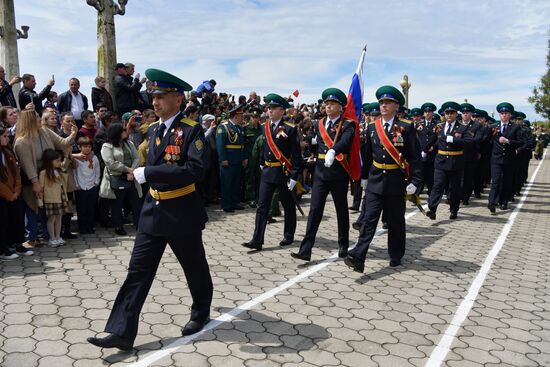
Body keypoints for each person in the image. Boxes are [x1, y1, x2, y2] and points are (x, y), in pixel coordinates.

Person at [88, 68, 213, 350]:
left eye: (161, 96)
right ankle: (121, 331)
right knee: (138, 272)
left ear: (178, 99)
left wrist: (150, 172)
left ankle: (201, 311)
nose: (154, 102)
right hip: (152, 211)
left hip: (182, 212)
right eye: (153, 96)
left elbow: (196, 170)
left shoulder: (192, 131)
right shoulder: (154, 130)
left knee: (194, 268)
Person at [344, 85, 422, 272]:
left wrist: (415, 182)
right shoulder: (372, 128)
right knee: (369, 219)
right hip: (375, 179)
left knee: (395, 221)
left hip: (396, 181)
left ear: (397, 105)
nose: (383, 105)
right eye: (381, 102)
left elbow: (415, 157)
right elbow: (368, 155)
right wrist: (363, 178)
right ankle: (358, 255)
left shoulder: (406, 127)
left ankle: (396, 254)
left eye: (388, 102)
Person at [291, 88, 355, 261]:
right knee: (315, 209)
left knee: (341, 209)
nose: (328, 106)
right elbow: (315, 141)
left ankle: (343, 243)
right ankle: (306, 249)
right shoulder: (319, 124)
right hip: (320, 171)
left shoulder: (348, 124)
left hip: (338, 171)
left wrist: (334, 150)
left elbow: (346, 140)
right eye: (326, 103)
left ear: (340, 107)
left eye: (332, 103)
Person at [242, 93, 302, 251]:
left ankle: (288, 235)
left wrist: (294, 176)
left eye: (273, 108)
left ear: (282, 110)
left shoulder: (290, 129)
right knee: (262, 206)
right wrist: (262, 163)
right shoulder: (264, 127)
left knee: (288, 206)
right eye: (269, 107)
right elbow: (264, 147)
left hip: (283, 173)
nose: (269, 110)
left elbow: (296, 156)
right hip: (268, 172)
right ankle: (257, 239)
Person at [14, 110, 77, 247]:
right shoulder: (21, 141)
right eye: (37, 117)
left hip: (49, 177)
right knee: (33, 207)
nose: (40, 119)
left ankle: (51, 236)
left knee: (47, 208)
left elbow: (62, 143)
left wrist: (73, 134)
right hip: (31, 179)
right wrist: (35, 182)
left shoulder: (44, 131)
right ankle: (33, 237)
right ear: (29, 121)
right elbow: (28, 166)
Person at [426, 102, 472, 220]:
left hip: (455, 162)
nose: (449, 115)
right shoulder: (439, 126)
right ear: (444, 114)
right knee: (437, 186)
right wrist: (428, 148)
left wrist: (454, 140)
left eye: (452, 113)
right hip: (441, 161)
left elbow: (469, 142)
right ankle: (432, 208)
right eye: (447, 113)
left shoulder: (463, 127)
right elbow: (436, 140)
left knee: (454, 188)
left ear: (457, 114)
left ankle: (454, 210)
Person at [99, 123, 142, 235]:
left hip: (132, 177)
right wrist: (127, 170)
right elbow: (110, 163)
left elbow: (136, 158)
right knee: (117, 204)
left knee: (136, 202)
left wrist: (131, 170)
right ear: (116, 132)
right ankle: (118, 226)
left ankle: (139, 225)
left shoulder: (129, 143)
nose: (125, 131)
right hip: (117, 178)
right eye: (123, 130)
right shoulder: (107, 146)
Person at [0, 125, 33, 259]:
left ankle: (17, 244)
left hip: (13, 193)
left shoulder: (7, 152)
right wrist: (9, 194)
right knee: (3, 222)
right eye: (4, 136)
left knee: (17, 219)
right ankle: (3, 249)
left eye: (7, 135)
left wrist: (17, 189)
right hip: (3, 195)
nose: (7, 138)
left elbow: (17, 172)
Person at [488, 102, 523, 213]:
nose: (504, 115)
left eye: (506, 113)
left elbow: (520, 142)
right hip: (496, 159)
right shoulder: (493, 127)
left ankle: (504, 202)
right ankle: (492, 202)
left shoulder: (515, 127)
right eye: (502, 113)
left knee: (506, 181)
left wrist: (508, 141)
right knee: (496, 181)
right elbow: (487, 141)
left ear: (510, 115)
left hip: (509, 159)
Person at [216, 104, 247, 212]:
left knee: (236, 183)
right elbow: (220, 145)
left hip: (237, 160)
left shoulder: (239, 128)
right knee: (227, 183)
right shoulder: (223, 127)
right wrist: (223, 159)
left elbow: (242, 144)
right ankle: (227, 204)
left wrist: (244, 158)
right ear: (235, 116)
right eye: (241, 115)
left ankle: (234, 202)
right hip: (228, 160)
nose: (243, 118)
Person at [37, 149, 68, 247]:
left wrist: (67, 156)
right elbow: (40, 189)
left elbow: (65, 165)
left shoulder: (59, 170)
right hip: (50, 200)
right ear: (49, 161)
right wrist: (40, 201)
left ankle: (58, 237)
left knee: (59, 218)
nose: (59, 163)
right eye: (57, 161)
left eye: (60, 160)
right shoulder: (43, 173)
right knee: (52, 219)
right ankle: (52, 238)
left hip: (60, 198)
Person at [73, 137, 100, 234]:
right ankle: (82, 227)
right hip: (81, 186)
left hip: (91, 186)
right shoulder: (76, 159)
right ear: (79, 147)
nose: (87, 149)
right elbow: (74, 172)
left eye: (89, 146)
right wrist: (76, 184)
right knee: (81, 208)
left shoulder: (94, 158)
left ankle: (90, 226)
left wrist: (96, 182)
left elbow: (97, 171)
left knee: (91, 207)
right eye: (85, 146)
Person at [459, 103, 483, 205]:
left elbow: (477, 139)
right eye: (463, 113)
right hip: (457, 155)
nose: (465, 114)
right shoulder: (457, 124)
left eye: (467, 113)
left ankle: (465, 197)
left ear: (471, 114)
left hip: (470, 155)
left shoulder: (477, 125)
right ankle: (456, 196)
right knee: (458, 178)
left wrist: (462, 140)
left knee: (468, 178)